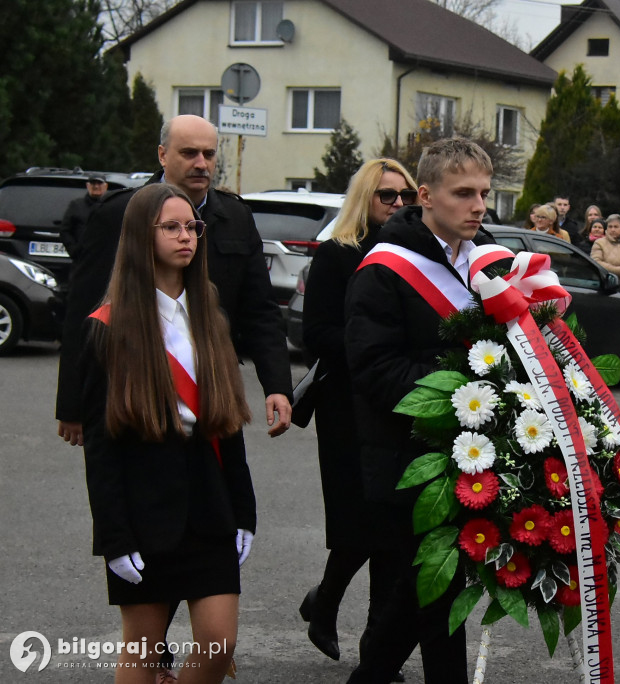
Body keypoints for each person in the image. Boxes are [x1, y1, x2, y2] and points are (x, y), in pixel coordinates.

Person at [80, 184, 256, 684]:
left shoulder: (208, 315)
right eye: (172, 227)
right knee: (141, 651)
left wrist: (244, 510)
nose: (186, 236)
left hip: (209, 500)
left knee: (219, 645)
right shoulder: (109, 328)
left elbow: (229, 421)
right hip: (143, 502)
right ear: (141, 236)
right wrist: (114, 537)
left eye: (192, 227)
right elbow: (101, 446)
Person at [343, 139, 504, 684]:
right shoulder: (385, 269)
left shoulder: (489, 261)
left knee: (438, 599)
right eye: (464, 193)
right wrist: (469, 391)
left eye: (484, 192)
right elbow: (373, 370)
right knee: (427, 594)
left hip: (474, 457)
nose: (478, 205)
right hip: (410, 461)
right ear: (426, 196)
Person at [56, 115, 292, 449]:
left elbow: (261, 311)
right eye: (189, 153)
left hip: (212, 384)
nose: (201, 164)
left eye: (209, 155)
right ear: (162, 155)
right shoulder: (120, 214)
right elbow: (83, 308)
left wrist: (277, 386)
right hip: (136, 384)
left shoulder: (236, 218)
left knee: (222, 492)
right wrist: (72, 404)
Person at [298, 159, 417, 679]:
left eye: (406, 196)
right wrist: (371, 350)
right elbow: (315, 334)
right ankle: (326, 604)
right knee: (359, 519)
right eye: (387, 196)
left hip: (397, 403)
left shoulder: (415, 254)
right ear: (364, 198)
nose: (397, 205)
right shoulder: (337, 255)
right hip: (346, 406)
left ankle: (371, 644)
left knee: (391, 525)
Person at [60, 174, 108, 260]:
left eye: (99, 183)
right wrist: (74, 251)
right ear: (88, 186)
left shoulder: (111, 205)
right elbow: (65, 231)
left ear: (105, 186)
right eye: (93, 184)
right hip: (82, 259)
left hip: (104, 258)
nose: (96, 186)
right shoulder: (76, 205)